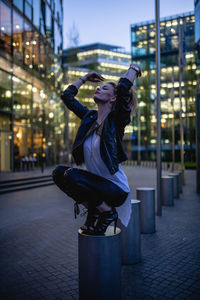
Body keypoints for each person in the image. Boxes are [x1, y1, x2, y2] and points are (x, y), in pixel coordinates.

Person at [52, 63, 142, 235]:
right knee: (58, 173)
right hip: (96, 185)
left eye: (104, 88)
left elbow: (123, 89)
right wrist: (85, 78)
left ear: (113, 98)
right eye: (99, 86)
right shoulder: (89, 117)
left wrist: (134, 69)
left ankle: (107, 212)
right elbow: (67, 96)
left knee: (71, 175)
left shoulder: (117, 121)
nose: (99, 88)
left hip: (116, 189)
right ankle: (97, 210)